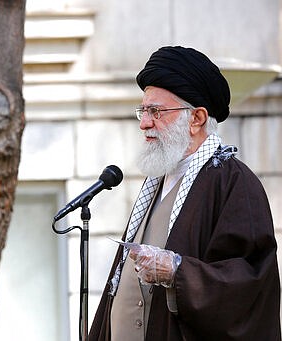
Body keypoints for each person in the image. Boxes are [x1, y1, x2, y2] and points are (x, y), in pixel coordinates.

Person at [89, 46, 281, 340]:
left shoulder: (234, 182)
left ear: (197, 119)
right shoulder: (156, 181)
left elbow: (250, 283)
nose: (144, 123)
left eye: (156, 111)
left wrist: (178, 272)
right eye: (143, 110)